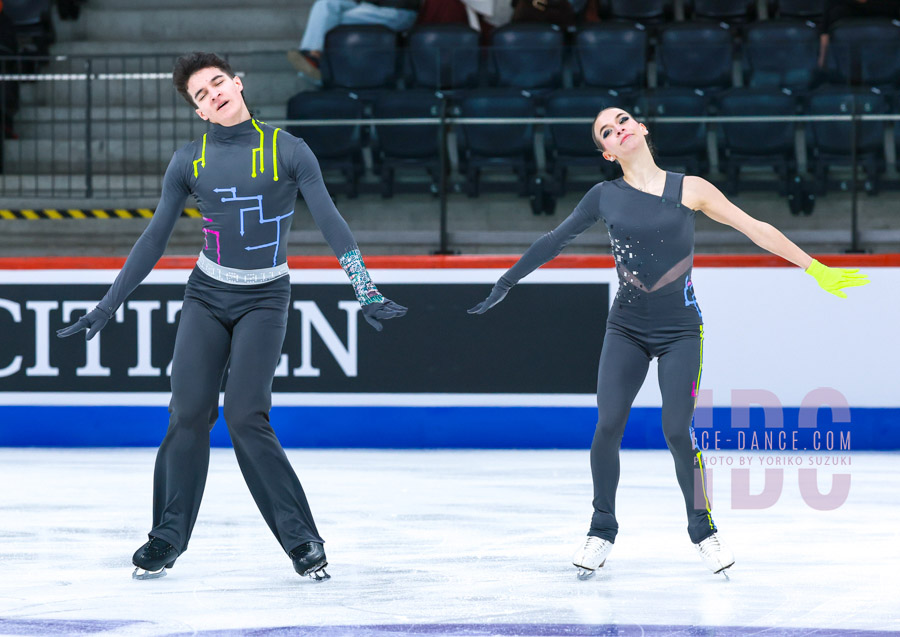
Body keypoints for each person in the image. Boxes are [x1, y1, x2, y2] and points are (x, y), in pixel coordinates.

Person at [467, 107, 870, 579]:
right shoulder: (604, 196)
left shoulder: (690, 189)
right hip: (626, 329)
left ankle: (703, 529)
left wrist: (815, 267)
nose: (618, 128)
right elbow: (554, 240)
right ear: (607, 151)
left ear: (640, 129)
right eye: (607, 131)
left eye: (622, 120)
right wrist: (507, 281)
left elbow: (754, 228)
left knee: (678, 430)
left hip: (681, 330)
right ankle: (601, 528)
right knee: (608, 423)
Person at [57, 52, 407, 582]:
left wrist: (365, 287)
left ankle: (303, 541)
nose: (213, 94)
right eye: (201, 94)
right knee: (188, 414)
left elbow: (331, 220)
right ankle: (165, 538)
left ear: (237, 84)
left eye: (217, 83)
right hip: (205, 295)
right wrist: (109, 303)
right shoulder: (189, 161)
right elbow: (154, 238)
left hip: (265, 299)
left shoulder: (288, 149)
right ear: (199, 111)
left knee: (246, 415)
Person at [287, 0, 422, 82]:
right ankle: (312, 55)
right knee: (325, 4)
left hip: (397, 11)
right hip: (371, 7)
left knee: (330, 19)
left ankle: (320, 65)